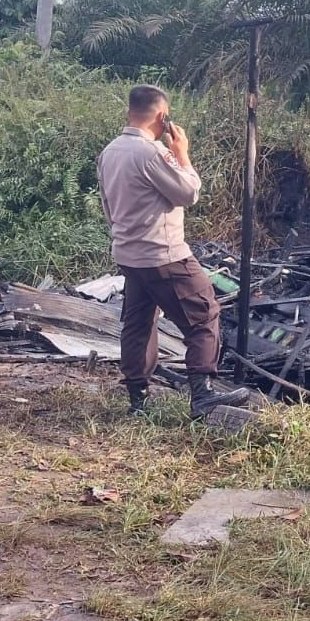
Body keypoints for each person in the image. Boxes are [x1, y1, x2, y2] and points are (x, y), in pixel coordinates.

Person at [97, 85, 250, 417]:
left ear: (129, 111)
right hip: (164, 256)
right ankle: (203, 394)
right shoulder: (150, 153)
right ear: (162, 117)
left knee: (138, 324)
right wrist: (182, 153)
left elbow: (108, 205)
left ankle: (138, 401)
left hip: (129, 255)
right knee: (204, 314)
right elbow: (188, 193)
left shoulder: (109, 152)